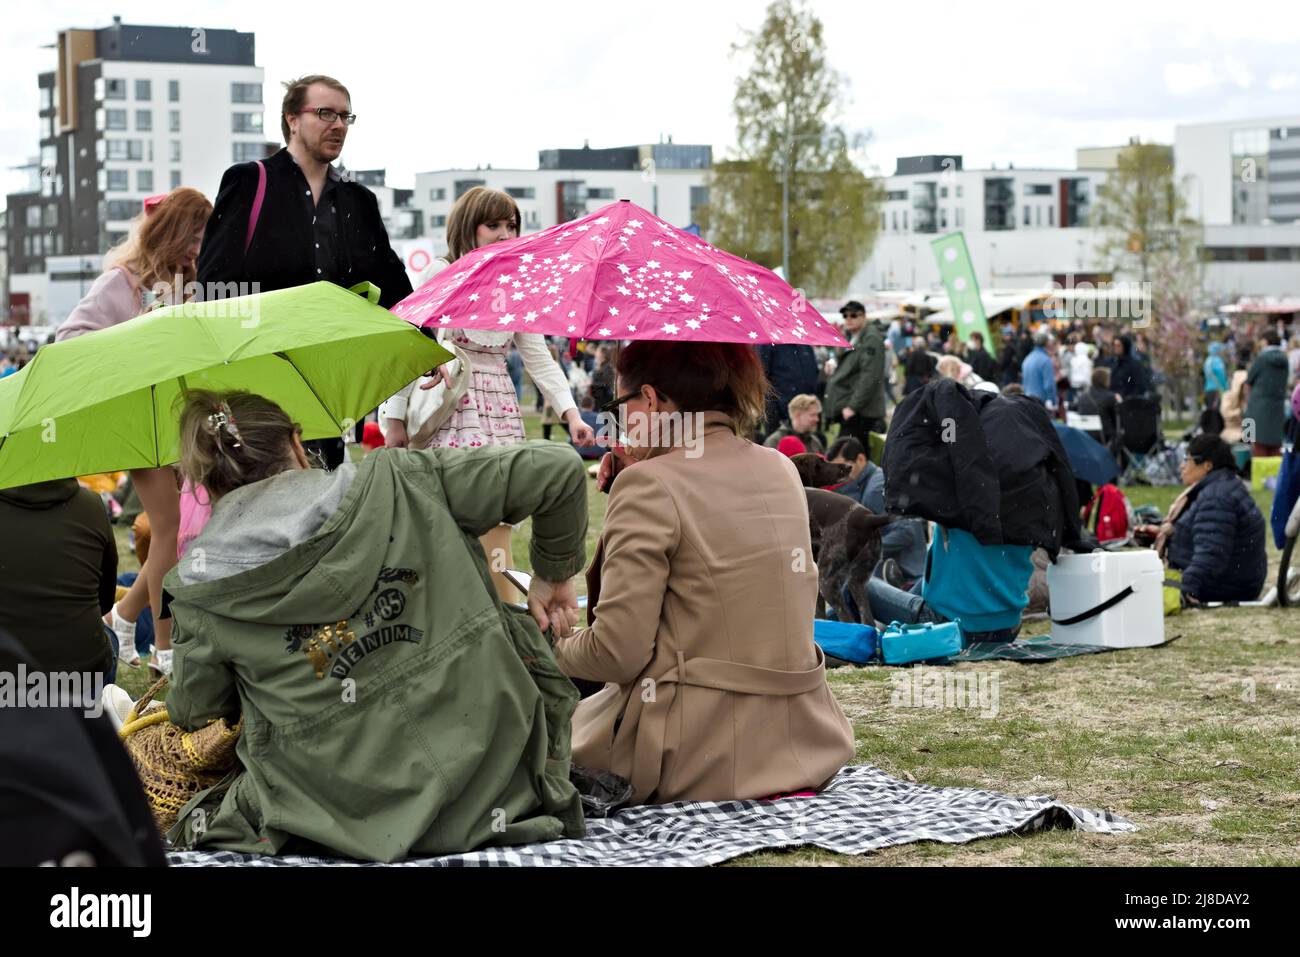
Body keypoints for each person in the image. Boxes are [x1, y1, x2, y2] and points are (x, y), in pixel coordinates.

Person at [150, 389, 589, 860]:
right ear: (297, 444)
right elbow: (559, 469)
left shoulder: (200, 590)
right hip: (500, 783)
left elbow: (196, 714)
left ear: (206, 483)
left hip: (331, 817)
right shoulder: (403, 477)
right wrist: (553, 577)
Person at [547, 342, 854, 805]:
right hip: (802, 737)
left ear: (649, 400)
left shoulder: (648, 485)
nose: (620, 420)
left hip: (692, 752)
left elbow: (615, 652)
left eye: (619, 406)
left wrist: (548, 646)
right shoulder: (780, 469)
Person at [382, 187, 594, 601]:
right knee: (448, 512)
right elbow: (409, 346)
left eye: (511, 225)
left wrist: (571, 414)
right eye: (493, 224)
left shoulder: (518, 284)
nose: (503, 233)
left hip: (499, 404)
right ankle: (451, 605)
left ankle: (500, 608)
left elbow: (539, 358)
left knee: (500, 511)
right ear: (468, 227)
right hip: (448, 402)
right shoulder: (441, 272)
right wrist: (393, 418)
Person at [197, 74, 413, 470]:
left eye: (346, 117)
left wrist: (424, 344)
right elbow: (213, 281)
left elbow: (391, 279)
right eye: (325, 113)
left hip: (329, 376)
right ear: (292, 119)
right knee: (261, 487)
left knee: (323, 490)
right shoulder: (250, 181)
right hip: (259, 371)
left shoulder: (358, 199)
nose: (338, 125)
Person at [55, 187, 213, 676]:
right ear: (168, 232)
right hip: (137, 422)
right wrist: (133, 340)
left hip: (175, 422)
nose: (198, 247)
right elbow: (68, 342)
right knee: (168, 531)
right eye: (192, 236)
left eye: (205, 238)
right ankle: (163, 649)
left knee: (179, 532)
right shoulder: (120, 283)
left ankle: (124, 620)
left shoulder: (188, 285)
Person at [0, 478, 118, 683]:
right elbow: (105, 601)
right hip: (83, 675)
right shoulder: (92, 505)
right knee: (109, 634)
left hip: (7, 679)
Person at [1136, 435, 1266, 605]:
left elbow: (1212, 552)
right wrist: (1167, 533)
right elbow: (1207, 532)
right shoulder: (1222, 486)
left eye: (1187, 460)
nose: (1182, 466)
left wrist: (1187, 588)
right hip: (1235, 581)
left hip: (1225, 586)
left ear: (1207, 465)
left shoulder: (1217, 498)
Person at [825, 436, 926, 587]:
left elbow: (906, 531)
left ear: (860, 459)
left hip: (904, 575)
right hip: (907, 568)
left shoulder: (875, 489)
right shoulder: (874, 478)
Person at [825, 300, 888, 441]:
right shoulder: (853, 337)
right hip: (854, 408)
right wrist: (834, 363)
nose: (848, 319)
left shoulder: (871, 338)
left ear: (863, 316)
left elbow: (870, 377)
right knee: (847, 452)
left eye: (853, 315)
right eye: (845, 315)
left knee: (850, 454)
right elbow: (852, 367)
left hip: (863, 411)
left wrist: (852, 407)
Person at [757, 342, 819, 438]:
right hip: (777, 410)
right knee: (779, 445)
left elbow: (812, 372)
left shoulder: (804, 345)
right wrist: (773, 406)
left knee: (805, 444)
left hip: (804, 407)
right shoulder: (768, 344)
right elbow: (761, 376)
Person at [1243, 330, 1289, 457]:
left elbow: (1248, 382)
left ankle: (1258, 473)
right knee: (1276, 445)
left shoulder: (1261, 359)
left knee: (1257, 444)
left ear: (1266, 341)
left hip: (1258, 407)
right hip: (1278, 406)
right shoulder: (1285, 359)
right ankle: (1276, 475)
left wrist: (1246, 401)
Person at [1075, 366, 1121, 451]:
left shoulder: (1082, 397)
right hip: (1103, 437)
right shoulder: (1110, 397)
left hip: (1084, 435)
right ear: (1105, 380)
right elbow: (1116, 419)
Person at [762, 393, 827, 454]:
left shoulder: (815, 442)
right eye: (812, 415)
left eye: (817, 415)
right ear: (797, 415)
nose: (817, 419)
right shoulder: (775, 441)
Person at [1101, 335, 1147, 399]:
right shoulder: (1108, 362)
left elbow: (1140, 386)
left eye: (1118, 345)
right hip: (1109, 399)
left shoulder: (1134, 365)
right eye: (1114, 345)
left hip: (1126, 401)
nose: (1115, 348)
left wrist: (1127, 398)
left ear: (1125, 347)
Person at [1020, 332, 1057, 408]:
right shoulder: (1046, 360)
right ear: (1046, 343)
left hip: (1027, 399)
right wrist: (1053, 400)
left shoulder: (1027, 359)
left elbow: (1024, 382)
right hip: (1040, 401)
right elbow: (1049, 385)